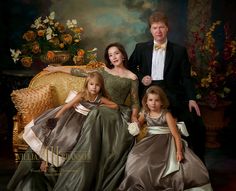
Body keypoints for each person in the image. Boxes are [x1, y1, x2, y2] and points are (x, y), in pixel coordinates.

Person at [7, 42, 140, 191]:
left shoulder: (132, 77)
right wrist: (57, 68)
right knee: (69, 127)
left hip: (113, 112)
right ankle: (46, 164)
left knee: (97, 113)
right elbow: (77, 71)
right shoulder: (102, 71)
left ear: (123, 55)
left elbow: (135, 102)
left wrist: (134, 117)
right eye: (110, 55)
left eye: (116, 53)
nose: (114, 57)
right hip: (94, 112)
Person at [128, 11, 206, 162]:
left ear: (167, 28)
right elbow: (130, 67)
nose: (158, 31)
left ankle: (196, 163)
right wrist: (141, 76)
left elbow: (186, 77)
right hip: (149, 92)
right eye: (155, 28)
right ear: (150, 30)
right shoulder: (141, 48)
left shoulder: (179, 50)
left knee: (195, 121)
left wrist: (191, 98)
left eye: (161, 27)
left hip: (173, 93)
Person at [118, 86, 212, 191]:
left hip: (166, 141)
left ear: (162, 102)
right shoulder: (145, 113)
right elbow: (138, 123)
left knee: (169, 164)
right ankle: (141, 184)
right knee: (136, 158)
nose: (153, 103)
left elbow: (176, 135)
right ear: (146, 101)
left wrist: (179, 152)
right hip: (149, 141)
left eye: (157, 100)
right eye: (150, 100)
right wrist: (134, 125)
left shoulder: (166, 114)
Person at [23, 71, 118, 172]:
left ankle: (61, 163)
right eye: (91, 84)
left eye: (97, 85)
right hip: (72, 116)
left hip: (86, 121)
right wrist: (56, 118)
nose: (94, 87)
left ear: (101, 86)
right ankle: (44, 160)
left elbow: (115, 106)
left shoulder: (100, 98)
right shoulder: (82, 95)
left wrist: (101, 106)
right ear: (87, 84)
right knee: (59, 132)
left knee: (74, 137)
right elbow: (67, 106)